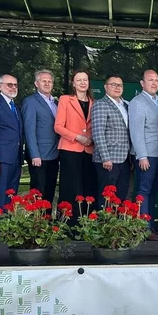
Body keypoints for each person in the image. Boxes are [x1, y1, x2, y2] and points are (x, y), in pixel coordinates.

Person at [54, 70, 97, 222]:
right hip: (70, 149)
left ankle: (86, 222)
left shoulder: (94, 102)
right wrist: (77, 137)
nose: (82, 83)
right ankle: (69, 223)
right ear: (73, 83)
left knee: (88, 187)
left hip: (89, 150)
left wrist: (91, 138)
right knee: (71, 187)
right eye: (79, 80)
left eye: (85, 80)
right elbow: (58, 127)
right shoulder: (65, 100)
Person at [129, 69, 158, 239]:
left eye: (156, 80)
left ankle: (150, 226)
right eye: (150, 80)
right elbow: (136, 132)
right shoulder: (137, 102)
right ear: (142, 83)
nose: (154, 83)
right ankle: (142, 228)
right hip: (146, 155)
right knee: (144, 191)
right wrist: (142, 156)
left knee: (152, 192)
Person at [0, 74, 24, 212]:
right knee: (0, 193)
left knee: (11, 194)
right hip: (2, 158)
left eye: (15, 85)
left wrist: (20, 159)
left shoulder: (16, 108)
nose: (13, 87)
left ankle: (8, 222)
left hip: (15, 158)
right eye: (9, 85)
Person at [91, 74, 132, 205]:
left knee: (121, 196)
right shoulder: (100, 105)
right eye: (113, 84)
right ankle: (104, 219)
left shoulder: (126, 105)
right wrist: (105, 158)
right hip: (108, 160)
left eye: (120, 85)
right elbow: (98, 133)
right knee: (106, 198)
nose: (117, 87)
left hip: (125, 158)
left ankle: (118, 219)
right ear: (105, 87)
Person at [21, 69, 59, 205]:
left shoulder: (55, 102)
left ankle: (47, 216)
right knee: (38, 191)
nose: (47, 83)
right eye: (44, 81)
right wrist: (34, 154)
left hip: (54, 154)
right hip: (39, 155)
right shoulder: (30, 102)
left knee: (50, 190)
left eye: (50, 81)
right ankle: (36, 217)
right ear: (36, 84)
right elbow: (29, 130)